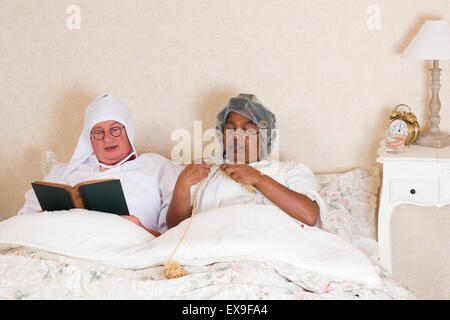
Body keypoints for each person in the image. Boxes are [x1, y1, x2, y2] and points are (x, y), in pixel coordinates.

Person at [18, 93, 182, 236]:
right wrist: (39, 219)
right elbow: (22, 222)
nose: (107, 138)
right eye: (98, 132)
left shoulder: (155, 166)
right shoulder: (61, 173)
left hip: (128, 247)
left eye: (115, 129)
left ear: (128, 132)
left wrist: (139, 229)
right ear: (89, 139)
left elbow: (172, 237)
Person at [166, 94, 327, 229]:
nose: (236, 136)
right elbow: (176, 232)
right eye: (230, 129)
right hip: (212, 253)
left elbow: (309, 216)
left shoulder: (290, 170)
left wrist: (258, 178)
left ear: (264, 138)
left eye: (247, 130)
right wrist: (182, 184)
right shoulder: (203, 174)